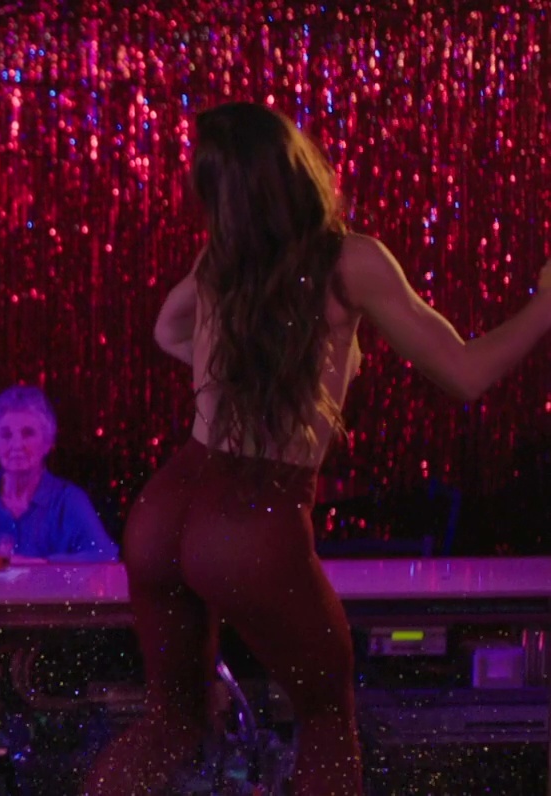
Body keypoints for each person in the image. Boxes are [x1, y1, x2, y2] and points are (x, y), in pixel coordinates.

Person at [85, 102, 551, 796]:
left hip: (165, 506)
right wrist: (545, 306)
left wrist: (240, 374)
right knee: (328, 722)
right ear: (297, 165)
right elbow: (464, 373)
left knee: (170, 723)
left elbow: (165, 331)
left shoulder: (224, 256)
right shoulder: (348, 260)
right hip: (247, 514)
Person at [0, 385, 119, 565]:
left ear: (48, 442)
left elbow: (107, 556)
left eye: (28, 433)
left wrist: (43, 563)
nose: (17, 445)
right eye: (6, 435)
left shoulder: (68, 501)